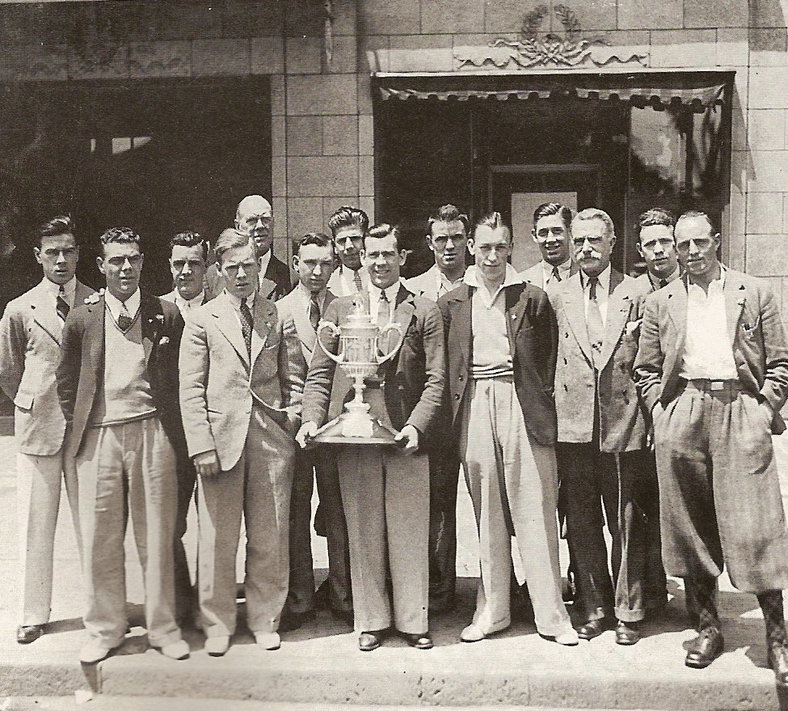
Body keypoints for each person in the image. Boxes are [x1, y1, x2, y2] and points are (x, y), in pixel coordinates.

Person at [635, 210, 788, 680]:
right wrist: (662, 416)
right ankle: (707, 627)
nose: (691, 253)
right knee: (689, 525)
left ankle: (778, 638)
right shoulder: (661, 302)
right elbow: (645, 369)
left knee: (756, 525)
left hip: (739, 409)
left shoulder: (753, 291)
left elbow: (782, 362)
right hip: (684, 411)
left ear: (716, 241)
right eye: (683, 245)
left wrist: (763, 409)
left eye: (700, 242)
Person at [296, 223, 444, 652]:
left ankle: (414, 619)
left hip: (404, 435)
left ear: (402, 259)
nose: (379, 262)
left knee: (408, 528)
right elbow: (319, 376)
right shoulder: (342, 308)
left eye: (388, 254)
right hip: (355, 434)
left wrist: (417, 425)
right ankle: (371, 619)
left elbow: (436, 379)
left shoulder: (423, 309)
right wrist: (311, 421)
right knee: (362, 529)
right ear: (362, 258)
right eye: (372, 254)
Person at [438, 212, 577, 646]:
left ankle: (552, 616)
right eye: (484, 248)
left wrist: (538, 406)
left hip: (522, 403)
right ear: (472, 250)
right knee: (488, 512)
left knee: (534, 507)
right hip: (477, 402)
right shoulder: (455, 301)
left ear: (512, 248)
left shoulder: (531, 297)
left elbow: (549, 358)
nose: (492, 256)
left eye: (500, 247)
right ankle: (493, 610)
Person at [57, 227, 188, 663]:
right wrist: (86, 423)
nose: (125, 267)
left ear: (143, 261)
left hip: (152, 432)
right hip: (98, 437)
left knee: (157, 535)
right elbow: (66, 382)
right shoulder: (82, 317)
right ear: (101, 265)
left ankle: (164, 627)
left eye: (132, 258)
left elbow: (176, 380)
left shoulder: (164, 313)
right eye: (116, 260)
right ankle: (104, 629)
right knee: (99, 537)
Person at [179, 228, 303, 655]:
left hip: (271, 441)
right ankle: (216, 623)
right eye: (232, 267)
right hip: (220, 441)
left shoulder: (276, 314)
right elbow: (190, 388)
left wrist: (293, 421)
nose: (242, 274)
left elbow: (294, 377)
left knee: (270, 535)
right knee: (217, 537)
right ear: (219, 271)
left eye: (248, 264)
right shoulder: (202, 319)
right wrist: (201, 446)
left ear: (258, 263)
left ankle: (265, 617)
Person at [551, 207, 651, 645]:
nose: (586, 248)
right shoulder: (556, 295)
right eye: (580, 241)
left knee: (627, 519)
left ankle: (629, 610)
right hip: (573, 426)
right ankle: (594, 607)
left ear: (613, 243)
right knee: (583, 520)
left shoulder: (639, 293)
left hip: (623, 423)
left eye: (595, 240)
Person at [0, 215, 93, 645]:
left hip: (84, 429)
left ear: (79, 254)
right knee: (36, 524)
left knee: (93, 523)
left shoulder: (98, 302)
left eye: (68, 251)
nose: (61, 259)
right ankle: (32, 613)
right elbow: (10, 371)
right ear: (38, 256)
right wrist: (34, 401)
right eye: (52, 252)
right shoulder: (19, 308)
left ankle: (99, 608)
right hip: (38, 426)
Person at [277, 232, 352, 628]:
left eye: (325, 263)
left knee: (338, 511)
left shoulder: (344, 308)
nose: (318, 271)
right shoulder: (280, 310)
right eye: (309, 263)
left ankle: (343, 594)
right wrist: (296, 419)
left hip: (336, 430)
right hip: (295, 429)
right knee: (295, 513)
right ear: (295, 264)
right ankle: (301, 597)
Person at [404, 204, 468, 613]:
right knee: (433, 504)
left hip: (473, 406)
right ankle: (433, 589)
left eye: (456, 238)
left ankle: (505, 585)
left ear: (468, 243)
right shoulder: (414, 290)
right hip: (431, 414)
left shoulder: (485, 284)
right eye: (441, 239)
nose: (448, 246)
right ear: (429, 243)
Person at [161, 230, 209, 624]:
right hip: (172, 438)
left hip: (215, 434)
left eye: (194, 262)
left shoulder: (224, 308)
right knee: (172, 523)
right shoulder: (154, 312)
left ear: (206, 265)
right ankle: (180, 604)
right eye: (179, 263)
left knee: (215, 526)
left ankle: (213, 604)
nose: (186, 270)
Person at [205, 195, 291, 301]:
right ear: (238, 226)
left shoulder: (290, 278)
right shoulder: (212, 276)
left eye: (266, 219)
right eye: (252, 220)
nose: (260, 226)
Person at [521, 202, 577, 294]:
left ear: (570, 232)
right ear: (535, 236)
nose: (550, 239)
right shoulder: (521, 281)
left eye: (557, 231)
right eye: (543, 233)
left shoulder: (585, 276)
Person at [326, 206, 370, 297]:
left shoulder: (386, 279)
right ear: (335, 247)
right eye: (342, 241)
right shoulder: (326, 285)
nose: (349, 246)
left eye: (355, 238)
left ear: (367, 240)